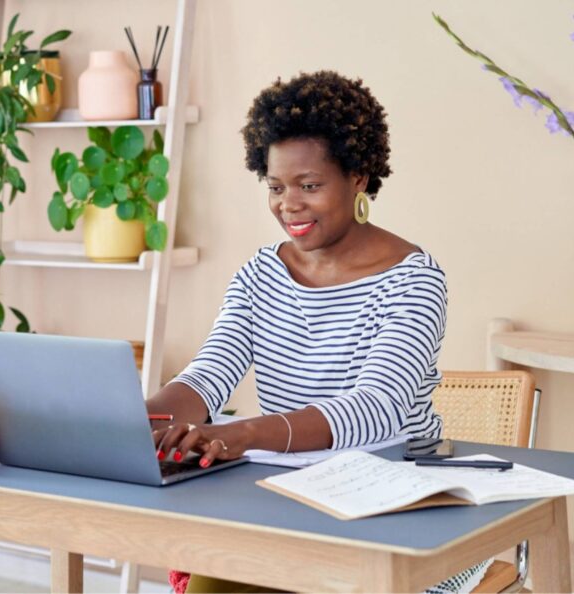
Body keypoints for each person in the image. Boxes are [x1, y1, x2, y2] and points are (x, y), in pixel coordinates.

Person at [147, 71, 490, 594]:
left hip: (397, 512)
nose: (289, 205)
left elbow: (376, 407)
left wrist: (245, 433)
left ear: (358, 176)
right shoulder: (261, 273)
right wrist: (143, 421)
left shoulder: (413, 279)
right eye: (276, 187)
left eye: (310, 186)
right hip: (289, 501)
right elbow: (210, 373)